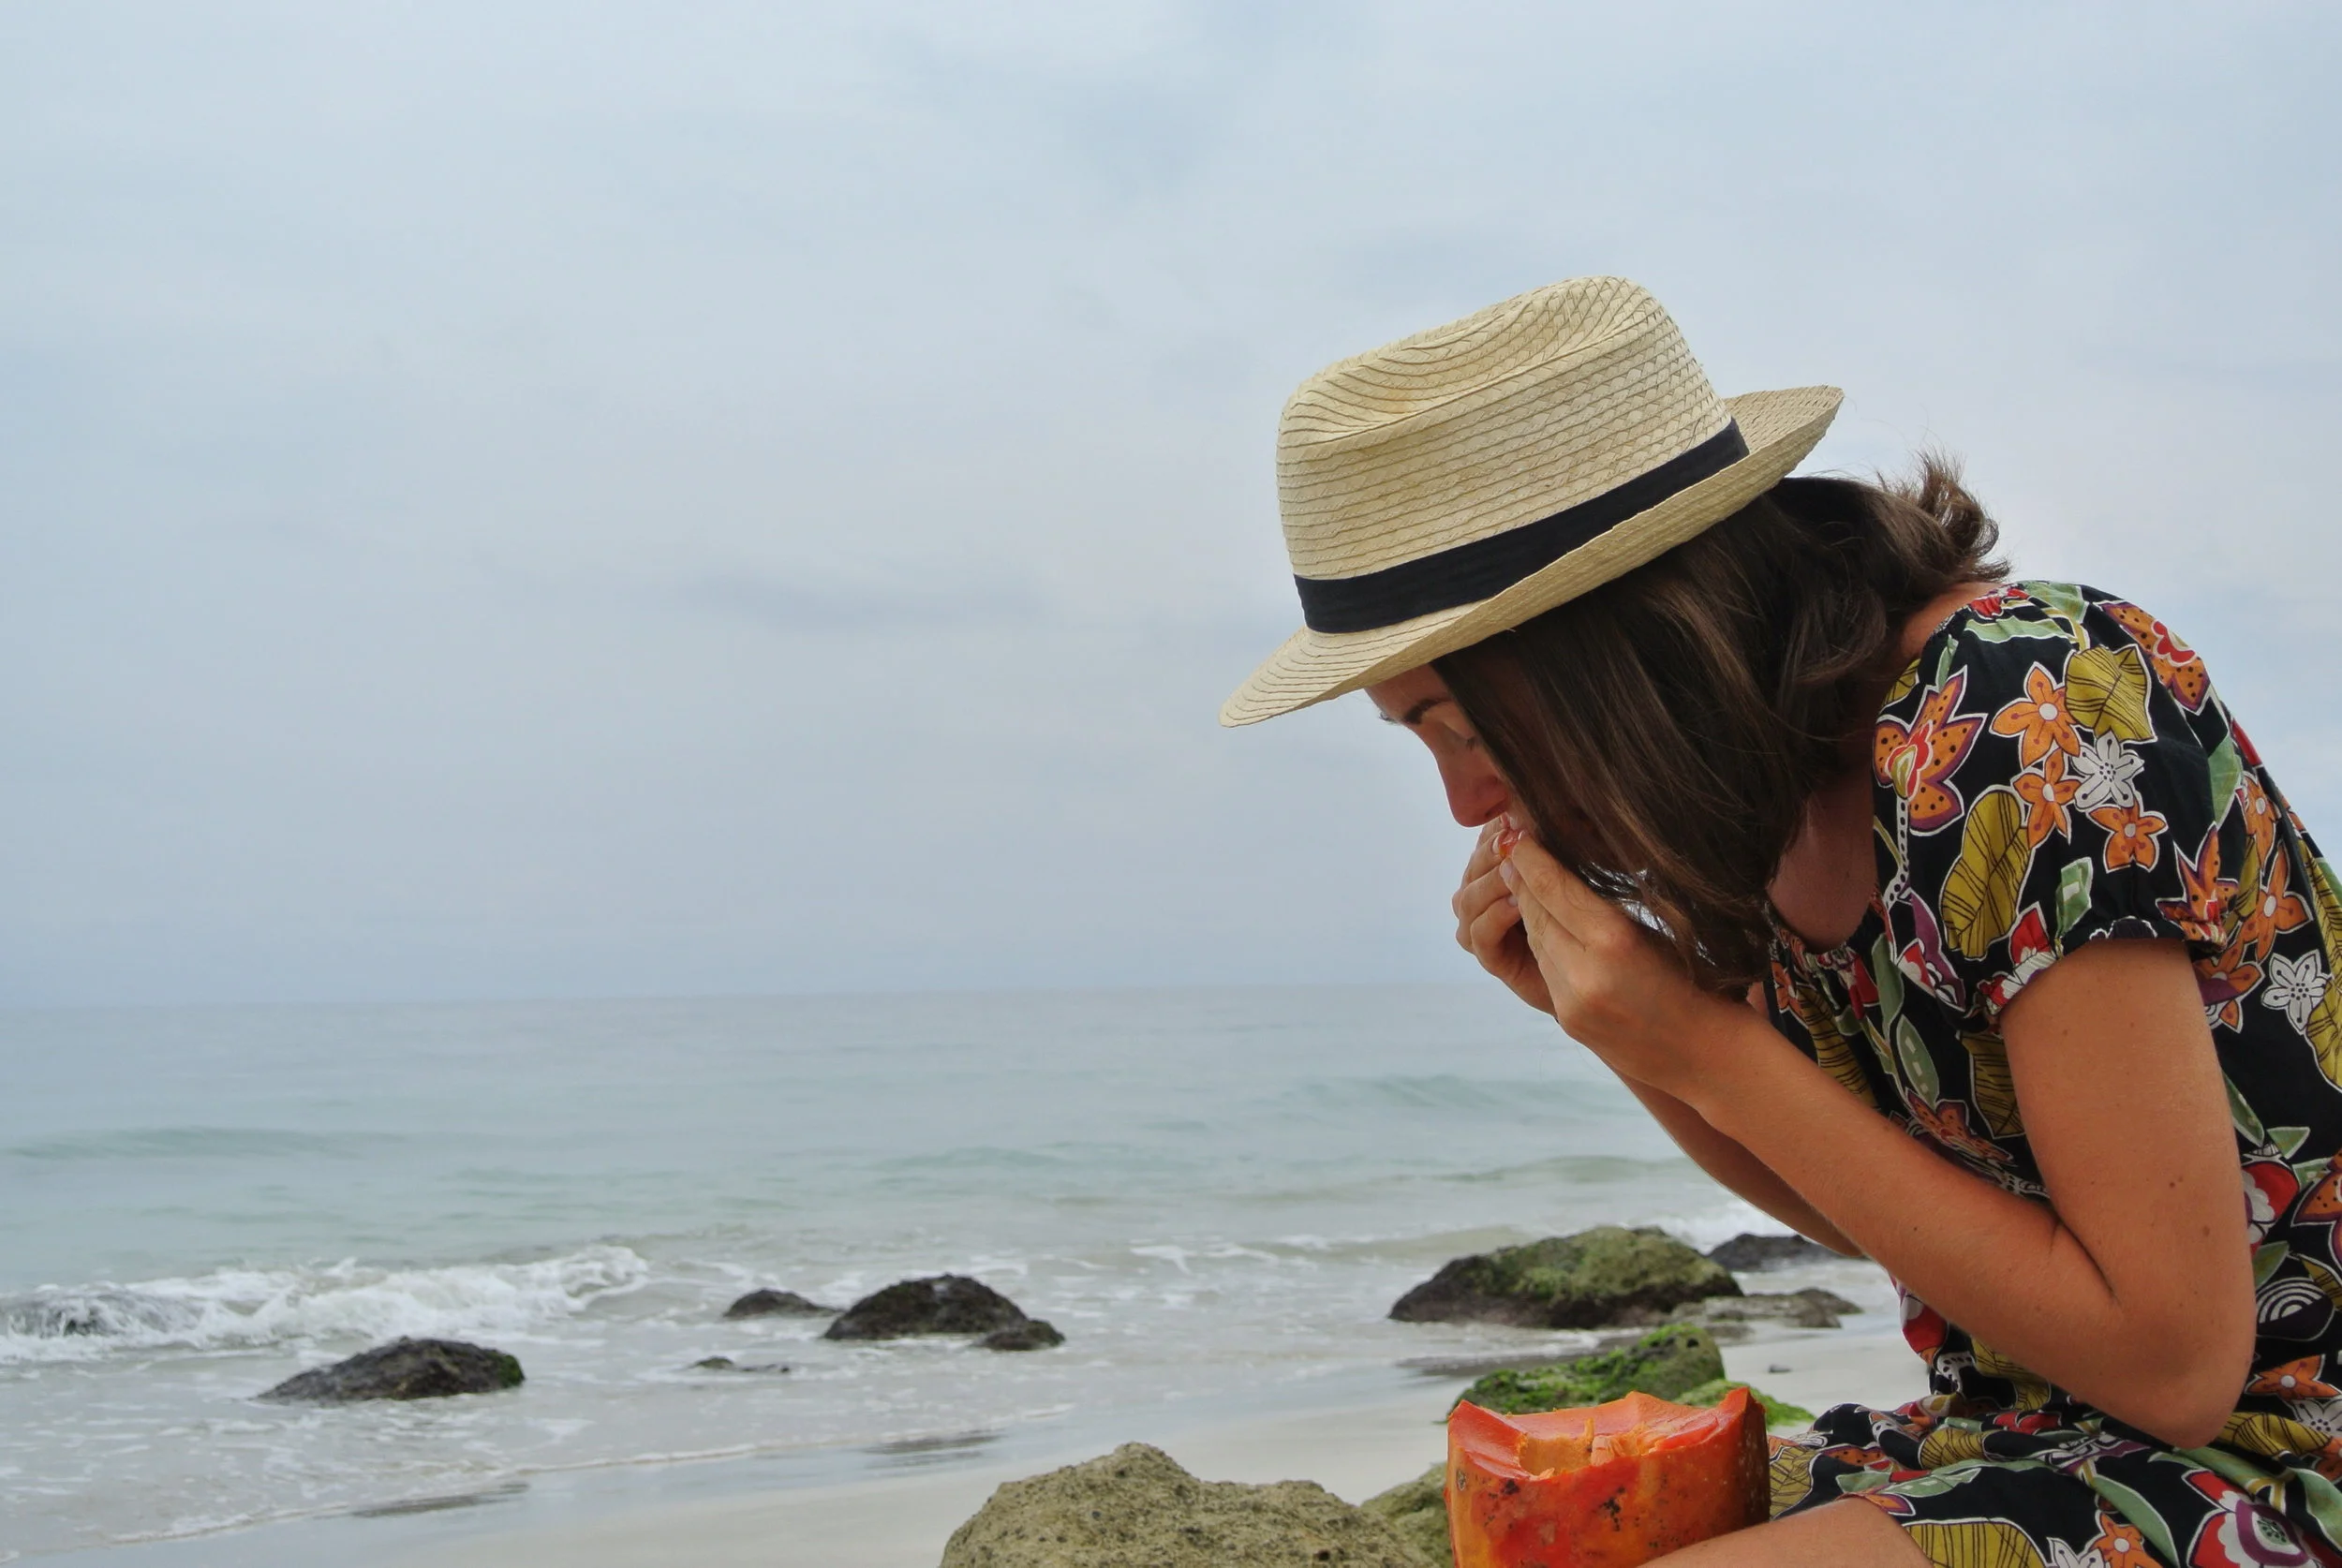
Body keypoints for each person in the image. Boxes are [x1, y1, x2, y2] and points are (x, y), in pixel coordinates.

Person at [1221, 276, 2342, 1568]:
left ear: (1603, 646)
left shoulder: (2020, 712)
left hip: (2279, 1451)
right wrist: (1632, 1036)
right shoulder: (1766, 788)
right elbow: (1878, 1216)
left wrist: (1703, 1048)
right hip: (2035, 1433)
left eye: (1458, 725)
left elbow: (2176, 1364)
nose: (1466, 799)